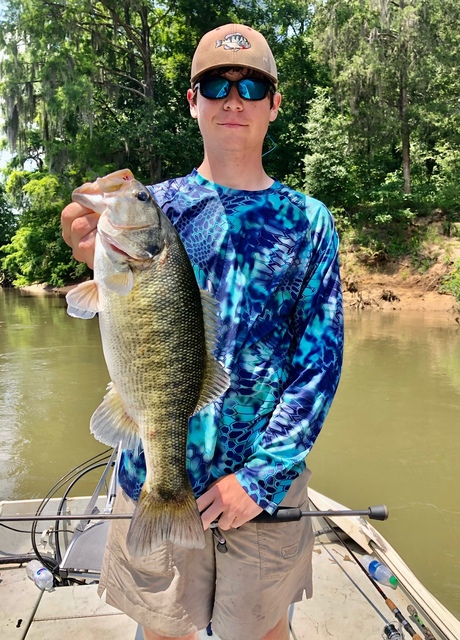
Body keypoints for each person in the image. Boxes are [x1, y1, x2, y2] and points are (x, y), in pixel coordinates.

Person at [61, 23, 344, 640]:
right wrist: (84, 248)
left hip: (259, 492)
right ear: (194, 101)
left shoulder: (309, 222)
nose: (233, 98)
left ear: (274, 104)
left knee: (265, 632)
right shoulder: (154, 209)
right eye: (216, 84)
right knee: (163, 632)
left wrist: (261, 479)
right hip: (151, 473)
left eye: (251, 85)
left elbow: (319, 365)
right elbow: (106, 304)